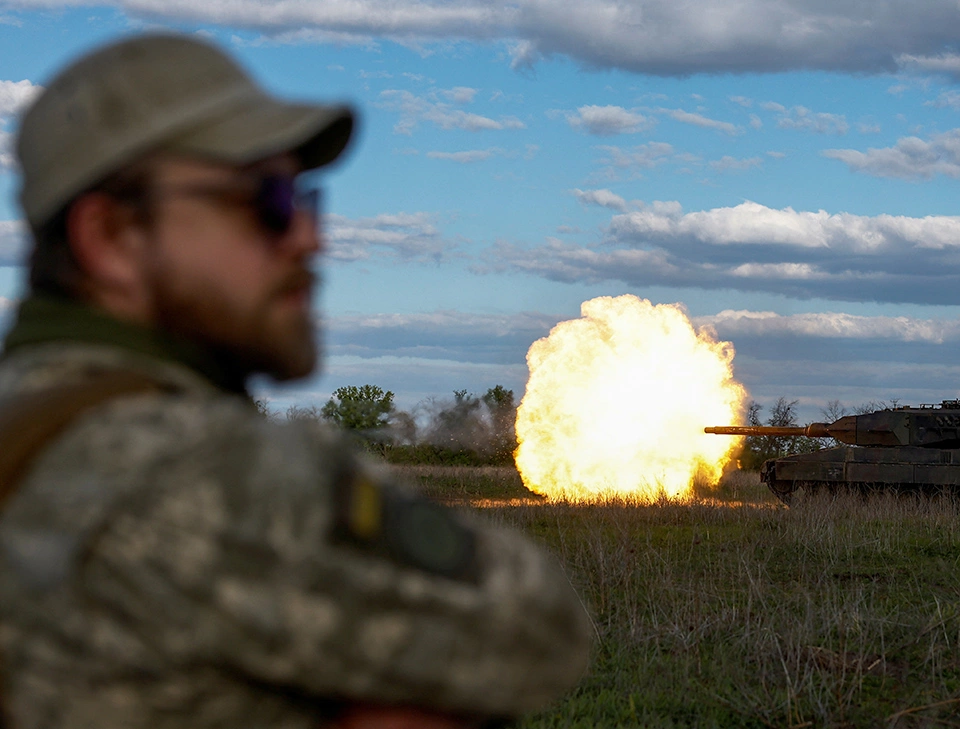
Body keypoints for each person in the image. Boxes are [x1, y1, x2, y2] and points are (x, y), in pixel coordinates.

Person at [0, 33, 592, 729]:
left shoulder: (29, 427)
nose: (308, 237)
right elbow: (538, 626)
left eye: (306, 199)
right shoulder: (199, 467)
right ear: (112, 236)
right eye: (266, 200)